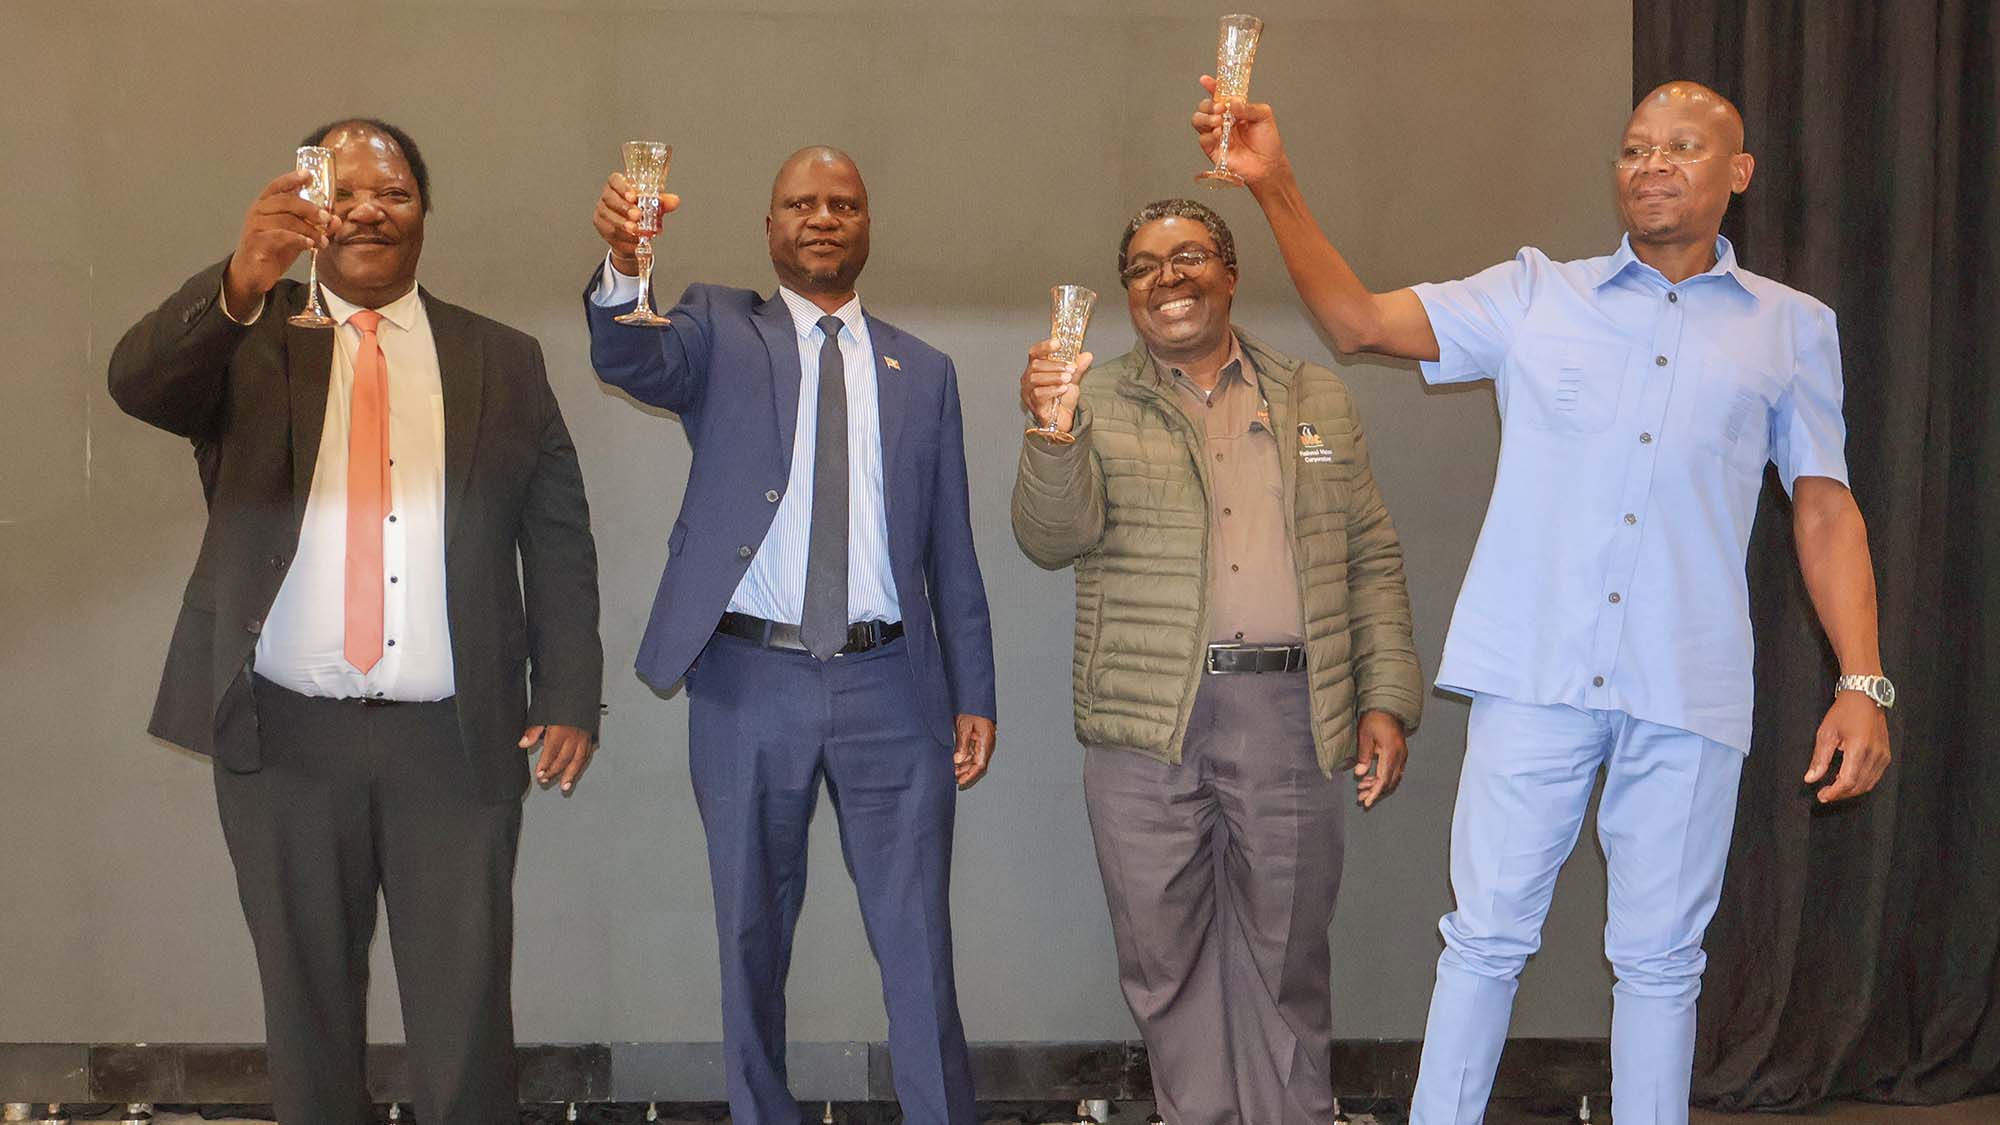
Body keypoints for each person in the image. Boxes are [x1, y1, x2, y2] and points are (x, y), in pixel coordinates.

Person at [1194, 79, 1895, 1124]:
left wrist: (1861, 681)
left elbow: (1825, 511)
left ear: (1736, 174)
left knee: (1661, 962)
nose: (1650, 163)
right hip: (1530, 671)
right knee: (1481, 940)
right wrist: (1274, 183)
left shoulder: (1791, 330)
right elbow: (1354, 321)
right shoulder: (1530, 294)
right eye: (1633, 147)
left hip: (1686, 682)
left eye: (1682, 147)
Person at [107, 118, 603, 1125]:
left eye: (396, 193)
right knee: (306, 1014)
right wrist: (239, 281)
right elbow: (137, 383)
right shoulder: (248, 343)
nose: (371, 208)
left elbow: (556, 538)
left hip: (453, 741)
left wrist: (565, 694)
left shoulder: (500, 360)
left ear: (425, 215)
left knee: (464, 1017)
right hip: (285, 736)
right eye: (348, 190)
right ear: (311, 208)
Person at [582, 145, 997, 1125]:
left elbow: (951, 547)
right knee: (748, 938)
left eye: (842, 204)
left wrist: (971, 689)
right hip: (745, 679)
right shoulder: (718, 327)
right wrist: (624, 268)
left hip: (892, 685)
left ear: (865, 227)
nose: (821, 217)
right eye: (799, 204)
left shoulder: (923, 370)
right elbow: (628, 355)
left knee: (917, 943)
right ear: (769, 228)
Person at [1011, 196, 1424, 1124]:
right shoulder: (1093, 397)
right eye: (1147, 266)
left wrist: (1387, 697)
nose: (1169, 279)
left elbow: (1371, 556)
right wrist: (1051, 428)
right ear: (1127, 293)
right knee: (1164, 958)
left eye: (1190, 256)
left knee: (1286, 954)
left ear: (1231, 274)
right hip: (1146, 722)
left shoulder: (1314, 395)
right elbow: (1049, 536)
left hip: (1290, 712)